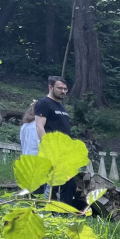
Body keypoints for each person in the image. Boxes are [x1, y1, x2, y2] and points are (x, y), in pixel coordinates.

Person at [34, 76, 83, 209]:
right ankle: (48, 214)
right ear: (51, 87)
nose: (63, 91)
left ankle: (63, 213)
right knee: (52, 185)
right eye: (60, 88)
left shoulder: (60, 106)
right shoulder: (44, 103)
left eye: (65, 89)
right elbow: (39, 126)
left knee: (70, 184)